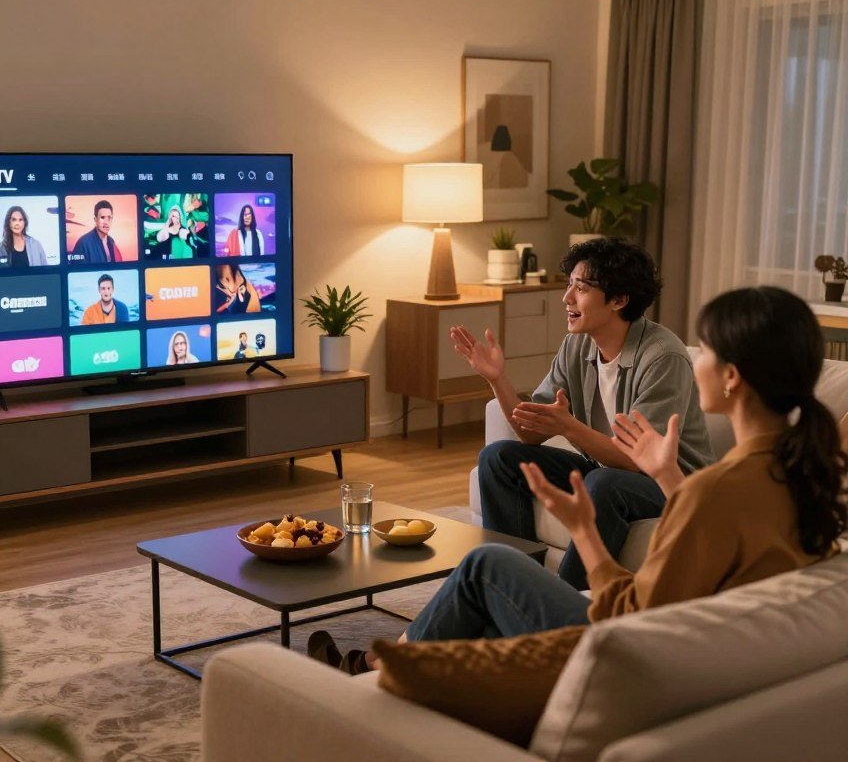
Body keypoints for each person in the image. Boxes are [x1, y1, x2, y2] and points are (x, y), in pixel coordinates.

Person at [310, 286, 847, 674]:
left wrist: (584, 529)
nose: (695, 360)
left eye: (705, 350)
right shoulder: (803, 474)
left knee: (485, 566)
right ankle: (385, 663)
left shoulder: (717, 486)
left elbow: (625, 617)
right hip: (708, 658)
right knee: (501, 507)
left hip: (632, 661)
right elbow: (721, 541)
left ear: (732, 377)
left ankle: (375, 671)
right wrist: (665, 475)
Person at [453, 237, 714, 589]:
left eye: (581, 288)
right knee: (499, 458)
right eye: (569, 285)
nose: (567, 298)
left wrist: (570, 427)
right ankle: (513, 582)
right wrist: (497, 379)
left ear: (619, 300)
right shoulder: (577, 344)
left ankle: (566, 598)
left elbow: (639, 462)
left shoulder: (662, 357)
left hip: (670, 484)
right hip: (608, 472)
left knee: (601, 483)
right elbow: (531, 432)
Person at [70, 200, 123, 264]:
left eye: (109, 218)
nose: (106, 222)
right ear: (95, 219)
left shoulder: (111, 241)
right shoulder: (83, 243)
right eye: (102, 217)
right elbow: (77, 271)